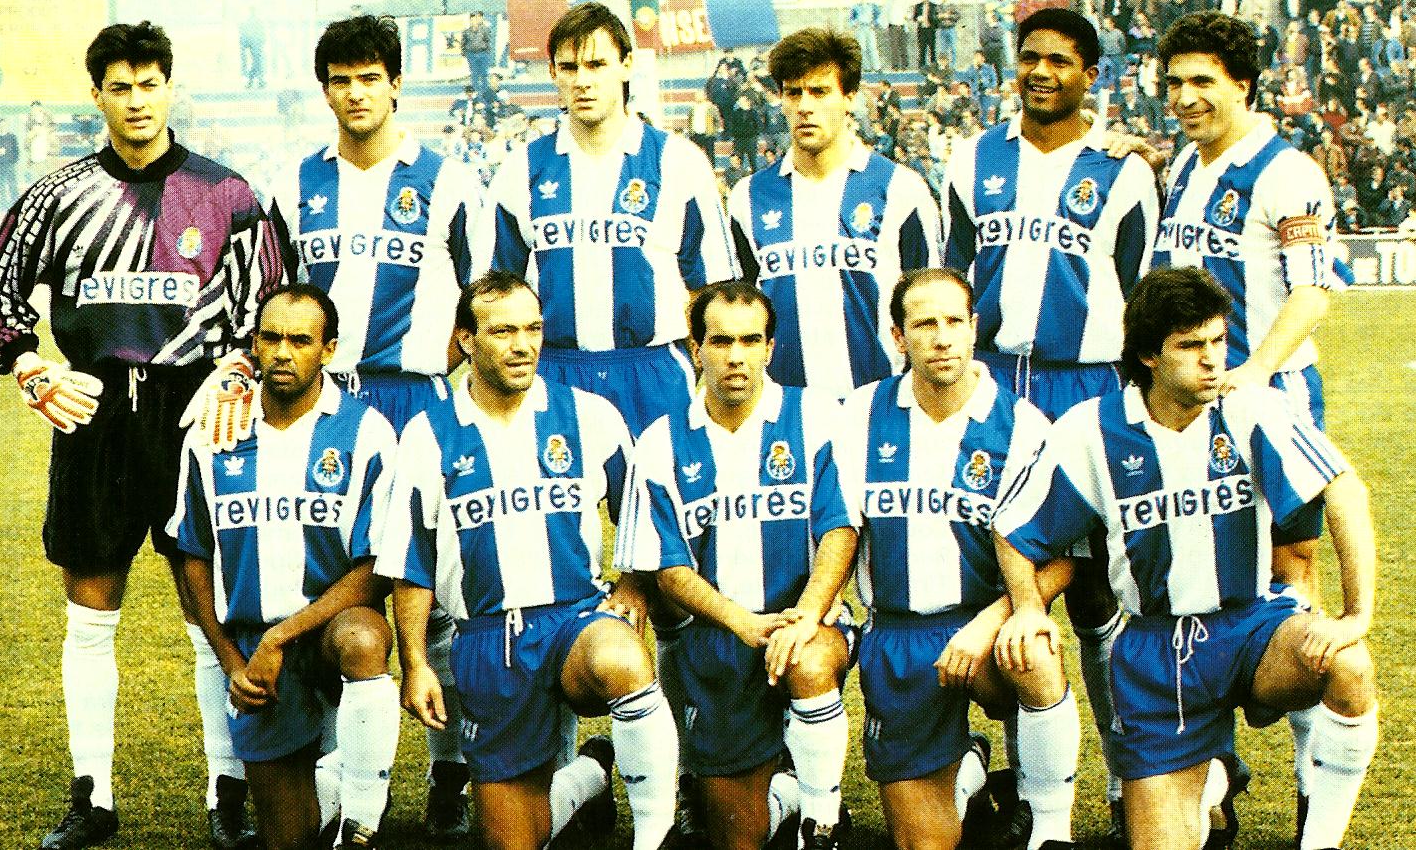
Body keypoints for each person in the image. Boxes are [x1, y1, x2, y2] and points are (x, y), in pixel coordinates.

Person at [0, 21, 285, 850]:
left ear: (170, 87)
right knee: (91, 612)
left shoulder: (227, 193)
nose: (137, 100)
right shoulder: (57, 195)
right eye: (121, 87)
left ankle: (226, 789)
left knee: (209, 613)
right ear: (98, 95)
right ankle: (94, 795)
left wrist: (238, 368)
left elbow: (273, 307)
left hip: (197, 416)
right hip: (96, 412)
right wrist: (32, 366)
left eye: (150, 84)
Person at [196, 14, 484, 841]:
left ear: (397, 83)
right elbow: (268, 299)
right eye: (341, 80)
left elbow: (483, 297)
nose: (356, 93)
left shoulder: (449, 181)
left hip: (416, 399)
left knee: (443, 596)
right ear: (324, 90)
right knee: (302, 585)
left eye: (370, 77)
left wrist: (445, 380)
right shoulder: (293, 185)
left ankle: (449, 771)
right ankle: (258, 775)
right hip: (322, 406)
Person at [993, 265, 1379, 850]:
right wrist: (1026, 607)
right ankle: (1210, 775)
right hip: (1154, 658)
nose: (1213, 360)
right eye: (1191, 346)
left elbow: (1343, 490)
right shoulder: (1091, 431)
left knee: (1347, 663)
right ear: (1149, 355)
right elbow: (1013, 529)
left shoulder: (1252, 408)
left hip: (1253, 629)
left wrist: (1356, 615)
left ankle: (1319, 841)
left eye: (1219, 341)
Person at [940, 8, 1159, 842]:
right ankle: (1017, 779)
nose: (1040, 71)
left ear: (1090, 75)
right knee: (995, 582)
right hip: (994, 384)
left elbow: (1140, 295)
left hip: (1085, 385)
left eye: (1060, 61)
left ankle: (1126, 774)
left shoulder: (1123, 172)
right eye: (1029, 57)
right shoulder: (972, 158)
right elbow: (952, 276)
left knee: (1099, 593)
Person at [377, 273, 680, 850]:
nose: (523, 346)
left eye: (533, 329)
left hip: (574, 621)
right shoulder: (427, 434)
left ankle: (654, 836)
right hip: (486, 641)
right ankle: (590, 775)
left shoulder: (589, 415)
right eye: (503, 332)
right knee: (515, 840)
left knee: (621, 658)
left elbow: (642, 515)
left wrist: (634, 586)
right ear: (465, 339)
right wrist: (414, 662)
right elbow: (411, 562)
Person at [1153, 14, 1348, 828]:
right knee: (1202, 587)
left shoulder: (1287, 172)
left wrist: (1255, 370)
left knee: (1290, 590)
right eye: (1174, 83)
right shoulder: (1184, 166)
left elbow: (1314, 291)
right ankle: (1215, 775)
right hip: (1193, 413)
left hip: (1269, 406)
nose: (1184, 97)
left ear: (1243, 83)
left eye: (1203, 81)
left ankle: (1314, 783)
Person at [836, 268, 1079, 850]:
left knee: (1035, 651)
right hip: (898, 635)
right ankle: (968, 771)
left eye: (953, 322)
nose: (942, 338)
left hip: (989, 629)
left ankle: (1048, 827)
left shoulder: (1022, 425)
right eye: (925, 324)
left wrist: (991, 623)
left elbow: (1067, 556)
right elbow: (838, 529)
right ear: (899, 337)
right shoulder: (861, 414)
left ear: (974, 328)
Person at [617, 281, 859, 849]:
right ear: (695, 348)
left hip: (807, 625)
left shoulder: (816, 416)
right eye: (721, 341)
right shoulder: (660, 442)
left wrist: (805, 615)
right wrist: (741, 622)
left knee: (809, 661)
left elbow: (839, 529)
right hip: (717, 642)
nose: (736, 356)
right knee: (736, 838)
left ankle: (821, 821)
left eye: (751, 341)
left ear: (770, 348)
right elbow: (668, 568)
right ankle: (788, 794)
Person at [170, 285, 401, 849]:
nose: (281, 353)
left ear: (329, 349)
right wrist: (231, 660)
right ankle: (333, 781)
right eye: (270, 338)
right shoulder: (214, 433)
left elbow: (378, 566)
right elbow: (194, 554)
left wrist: (283, 636)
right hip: (254, 648)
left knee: (365, 638)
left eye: (300, 341)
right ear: (253, 344)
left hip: (328, 633)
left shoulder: (365, 431)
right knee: (288, 839)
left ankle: (360, 820)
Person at [487, 1, 737, 438]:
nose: (582, 81)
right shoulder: (520, 170)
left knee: (660, 484)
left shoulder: (679, 162)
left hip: (652, 370)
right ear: (553, 73)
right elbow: (493, 290)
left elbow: (714, 288)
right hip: (555, 370)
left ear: (626, 65)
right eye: (569, 67)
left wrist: (696, 362)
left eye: (596, 64)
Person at [728, 27, 941, 401]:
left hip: (879, 403)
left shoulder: (901, 189)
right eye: (793, 93)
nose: (804, 106)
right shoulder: (747, 197)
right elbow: (739, 312)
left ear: (850, 97)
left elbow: (931, 304)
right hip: (784, 411)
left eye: (820, 91)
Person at [460, 13, 495, 103]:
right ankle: (475, 93)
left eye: (476, 19)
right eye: (472, 20)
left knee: (484, 74)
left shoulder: (485, 30)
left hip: (483, 54)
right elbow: (463, 43)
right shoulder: (466, 32)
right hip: (471, 55)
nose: (474, 22)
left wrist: (486, 52)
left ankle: (485, 93)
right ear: (470, 21)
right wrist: (465, 53)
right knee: (474, 74)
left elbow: (488, 41)